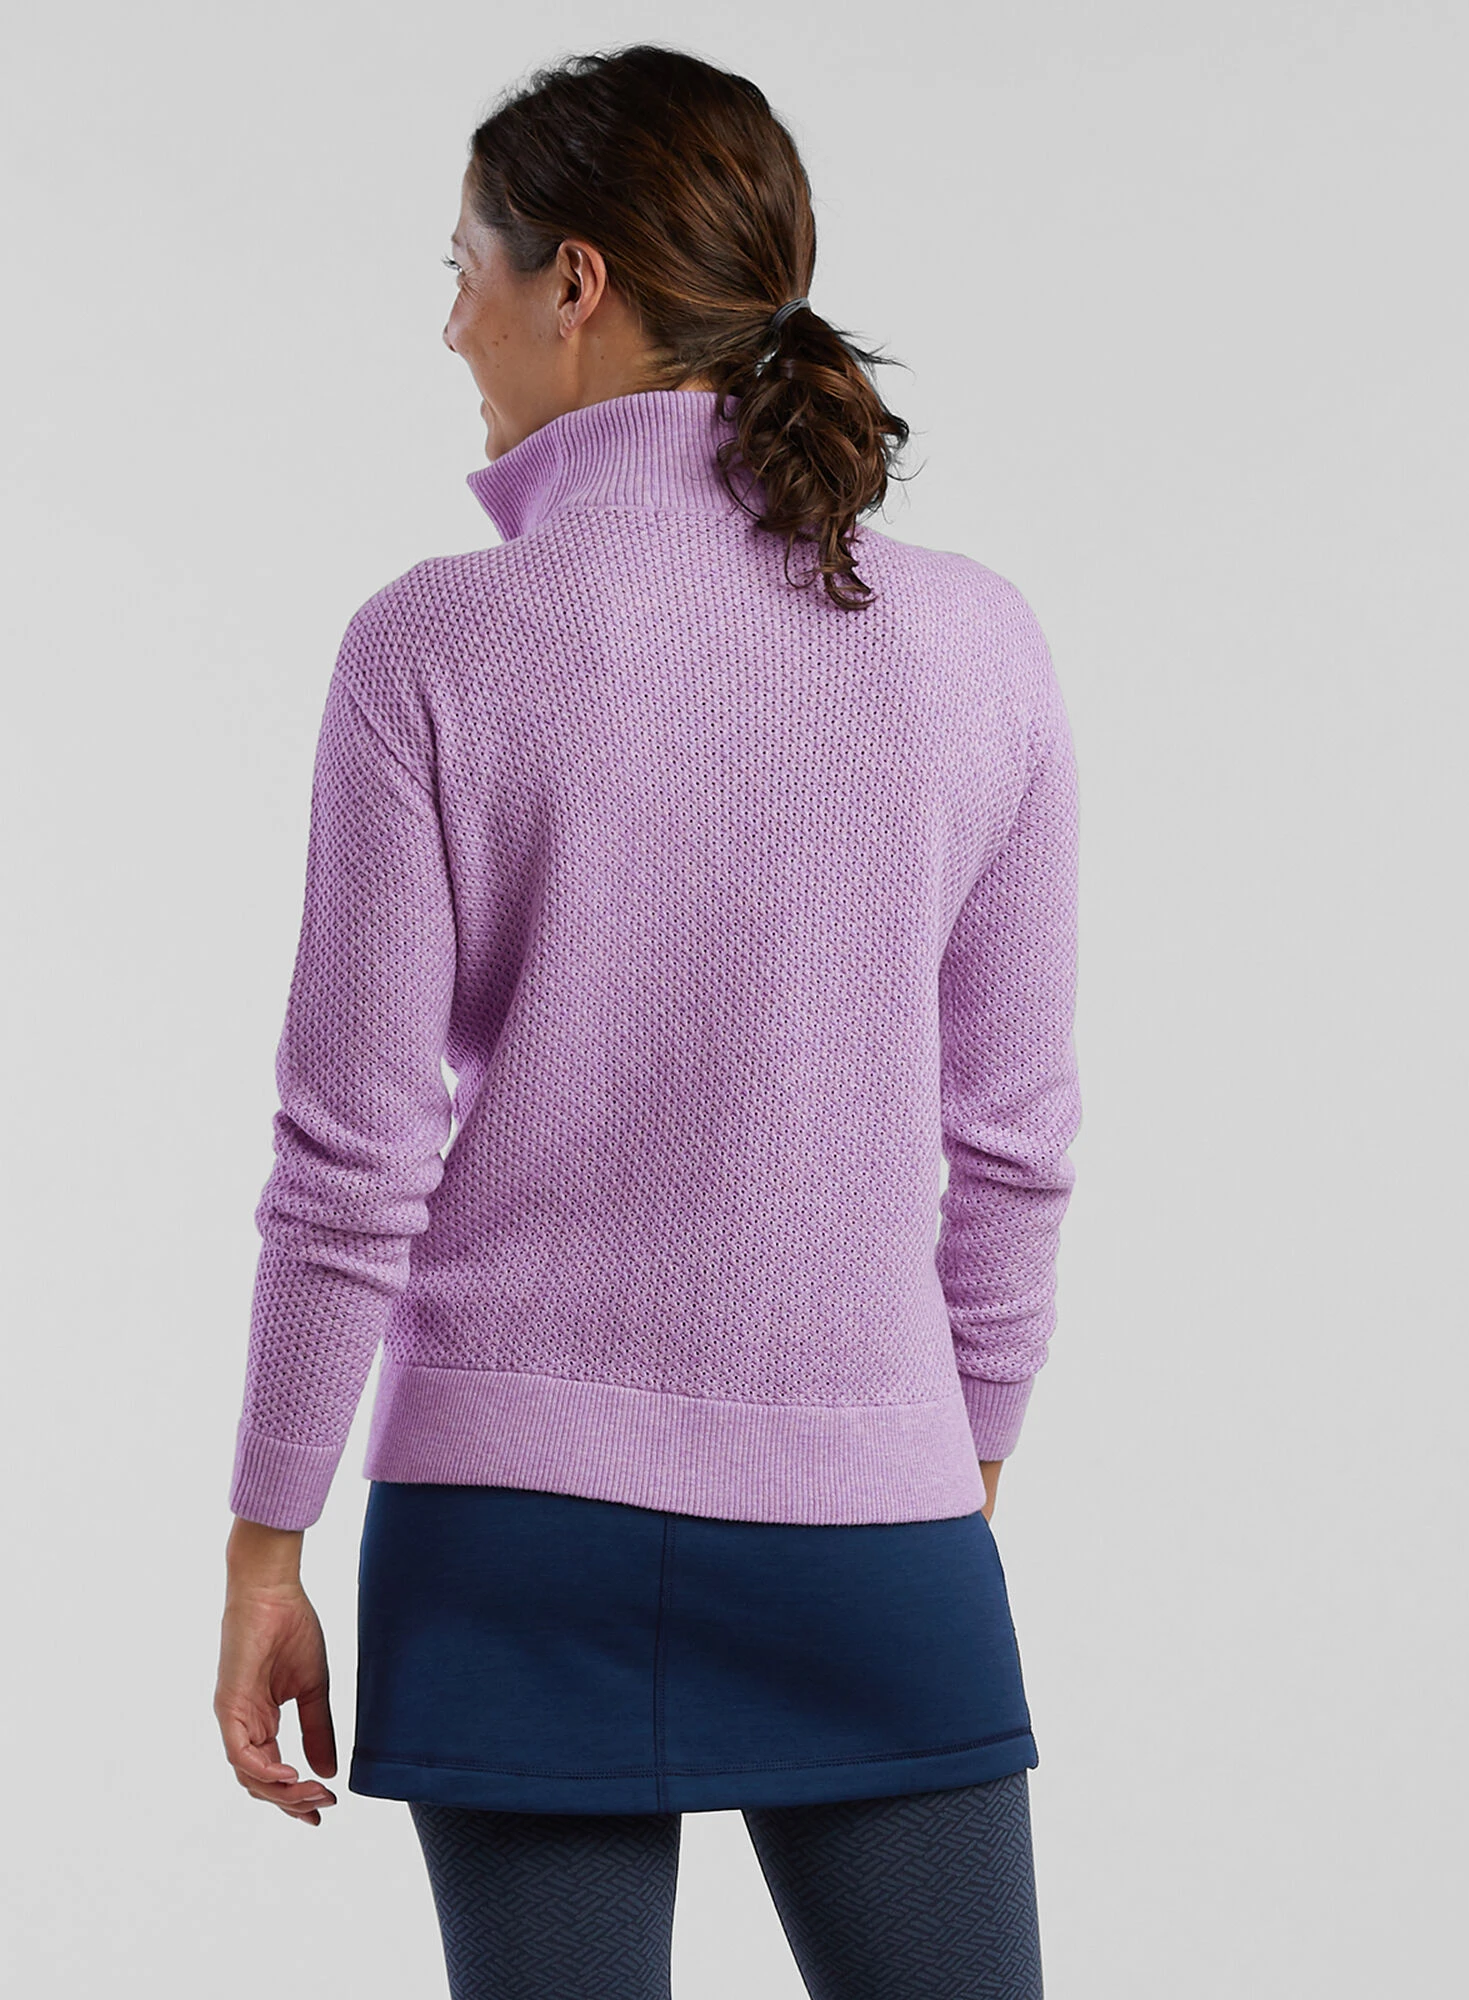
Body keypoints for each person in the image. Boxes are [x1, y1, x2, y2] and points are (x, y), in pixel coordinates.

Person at [214, 42, 1082, 2000]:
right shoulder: (978, 642)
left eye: (465, 269)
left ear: (577, 282)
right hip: (871, 1518)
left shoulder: (431, 647)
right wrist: (948, 1467)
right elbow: (1017, 1135)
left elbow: (349, 1156)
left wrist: (267, 1546)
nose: (451, 324)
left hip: (508, 1527)